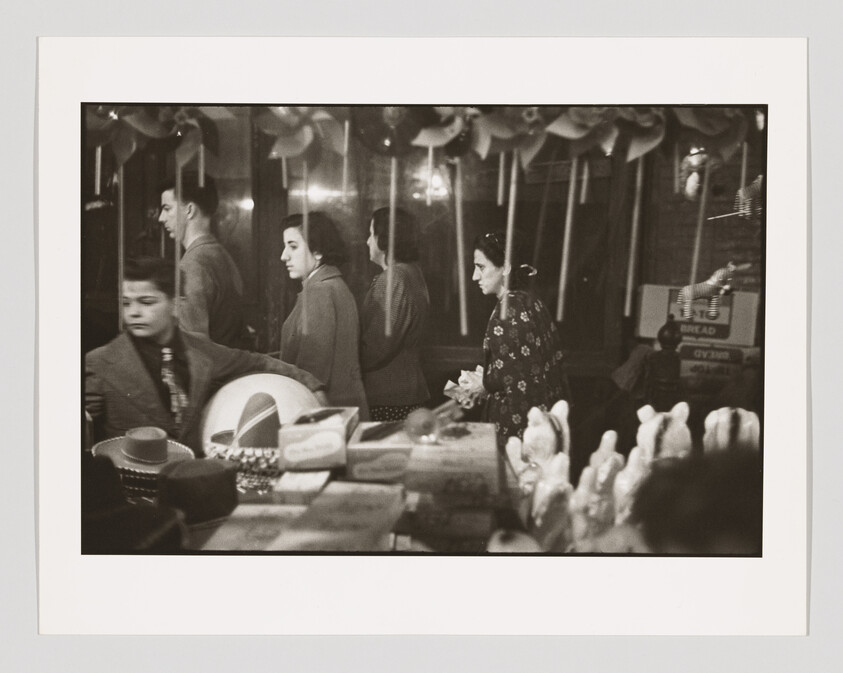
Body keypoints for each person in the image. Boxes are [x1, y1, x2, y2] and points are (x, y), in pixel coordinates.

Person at [85, 257, 327, 456]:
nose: (134, 312)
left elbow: (256, 361)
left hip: (190, 483)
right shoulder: (101, 362)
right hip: (129, 490)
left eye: (146, 302)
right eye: (126, 303)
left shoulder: (200, 351)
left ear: (174, 304)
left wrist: (312, 385)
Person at [461, 230, 566, 446]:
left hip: (517, 429)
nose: (474, 276)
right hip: (542, 424)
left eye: (481, 267)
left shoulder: (508, 311)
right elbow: (518, 366)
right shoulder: (529, 300)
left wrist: (481, 384)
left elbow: (516, 380)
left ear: (506, 267)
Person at [279, 213, 369, 419]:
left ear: (318, 251)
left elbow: (312, 371)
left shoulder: (319, 292)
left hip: (327, 414)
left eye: (293, 246)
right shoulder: (333, 285)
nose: (284, 255)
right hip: (343, 410)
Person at [158, 173, 249, 348]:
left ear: (189, 210)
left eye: (167, 208)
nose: (161, 217)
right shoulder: (222, 254)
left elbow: (193, 349)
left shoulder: (192, 264)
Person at [360, 207, 431, 421]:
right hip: (403, 394)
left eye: (371, 234)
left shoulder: (394, 278)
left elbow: (378, 345)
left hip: (389, 397)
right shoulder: (411, 272)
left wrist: (346, 360)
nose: (367, 241)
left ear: (385, 239)